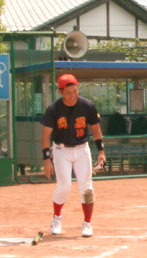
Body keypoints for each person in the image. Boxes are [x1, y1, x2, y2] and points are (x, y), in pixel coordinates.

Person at [41, 74, 106, 238]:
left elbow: (96, 129)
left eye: (75, 91)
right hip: (61, 150)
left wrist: (101, 151)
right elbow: (45, 136)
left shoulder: (87, 106)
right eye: (68, 92)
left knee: (87, 187)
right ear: (60, 91)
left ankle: (87, 223)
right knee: (64, 186)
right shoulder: (53, 110)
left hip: (82, 149)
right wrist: (46, 160)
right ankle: (57, 218)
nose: (72, 95)